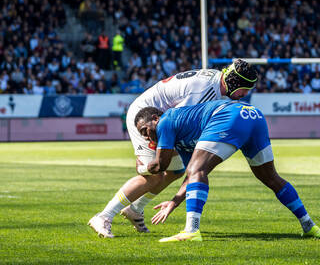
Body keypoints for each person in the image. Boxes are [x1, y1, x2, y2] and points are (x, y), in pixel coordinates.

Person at [88, 59, 258, 238]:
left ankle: (135, 209)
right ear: (234, 83)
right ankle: (104, 216)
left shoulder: (217, 84)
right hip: (146, 119)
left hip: (159, 116)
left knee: (176, 171)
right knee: (153, 175)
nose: (245, 94)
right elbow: (178, 122)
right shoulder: (206, 89)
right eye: (245, 89)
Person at [133, 101, 320, 242]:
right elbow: (192, 176)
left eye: (145, 130)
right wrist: (174, 202)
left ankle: (191, 230)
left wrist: (142, 167)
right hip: (253, 115)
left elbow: (161, 165)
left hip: (230, 114)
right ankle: (309, 226)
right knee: (270, 177)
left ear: (155, 119)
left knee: (197, 169)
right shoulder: (179, 135)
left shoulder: (165, 122)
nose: (147, 136)